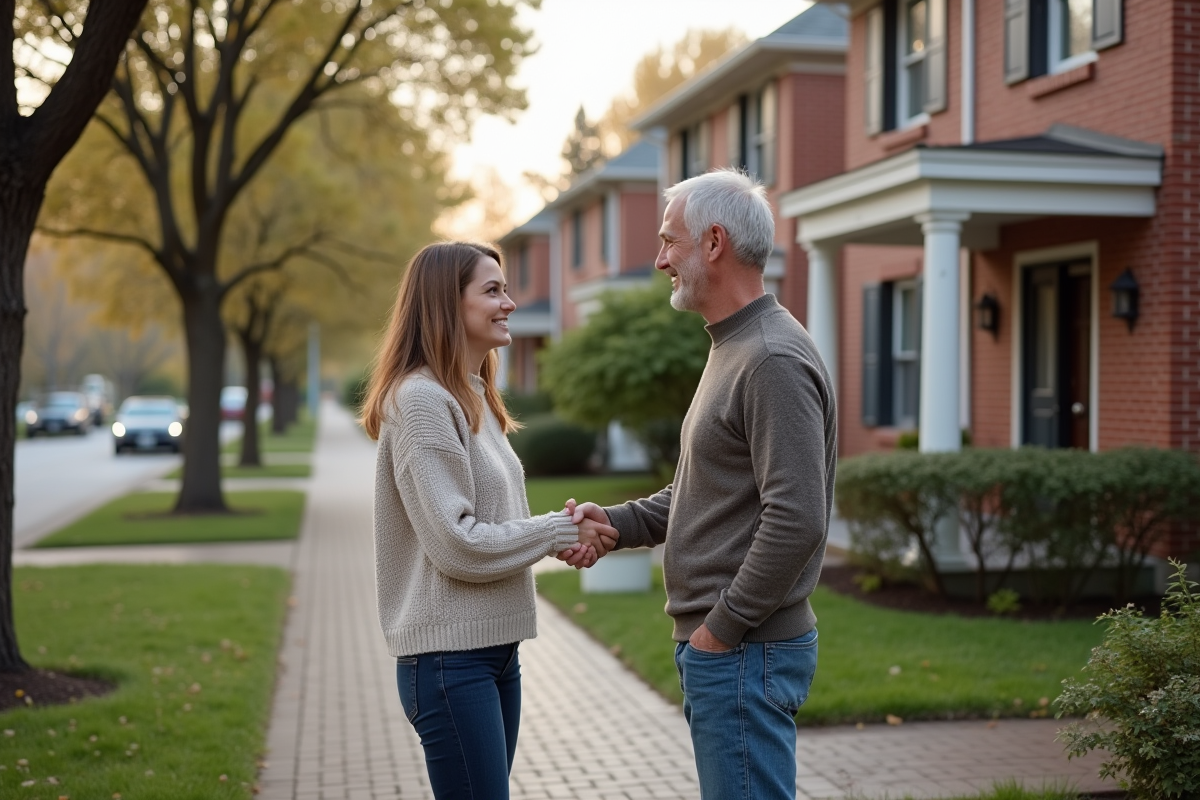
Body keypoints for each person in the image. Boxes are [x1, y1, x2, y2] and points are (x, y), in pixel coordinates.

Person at [568, 170, 837, 799]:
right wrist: (618, 522)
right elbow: (704, 489)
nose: (659, 259)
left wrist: (722, 630)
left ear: (713, 243)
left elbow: (797, 519)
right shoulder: (734, 346)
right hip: (730, 651)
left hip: (742, 651)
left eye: (669, 242)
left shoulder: (770, 358)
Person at [363, 241, 619, 800]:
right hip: (450, 662)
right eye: (493, 290)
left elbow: (499, 526)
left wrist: (559, 538)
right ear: (444, 304)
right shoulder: (422, 401)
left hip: (496, 652)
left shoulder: (473, 394)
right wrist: (556, 531)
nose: (510, 303)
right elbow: (457, 543)